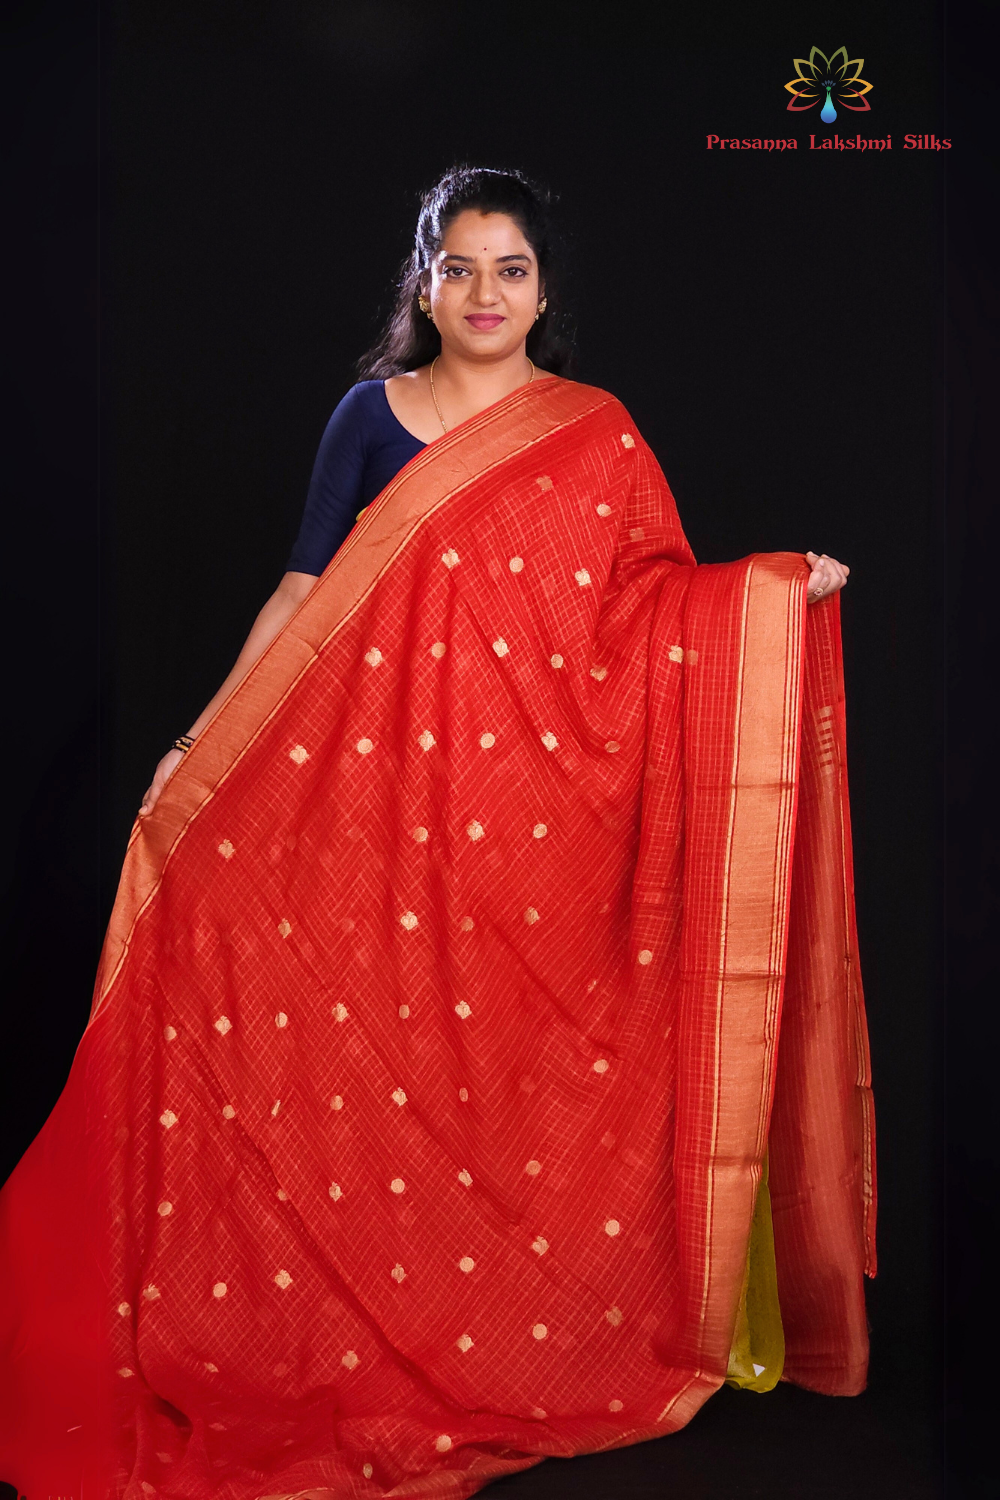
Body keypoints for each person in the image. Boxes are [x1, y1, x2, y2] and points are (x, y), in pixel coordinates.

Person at [0, 167, 872, 1498]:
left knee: (489, 1076)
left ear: (545, 291)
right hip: (366, 808)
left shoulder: (593, 434)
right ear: (424, 281)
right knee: (294, 994)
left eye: (510, 269)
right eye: (458, 268)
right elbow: (301, 590)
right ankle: (299, 1316)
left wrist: (768, 593)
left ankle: (496, 1328)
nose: (483, 294)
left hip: (521, 831)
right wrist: (201, 738)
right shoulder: (370, 417)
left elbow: (648, 613)